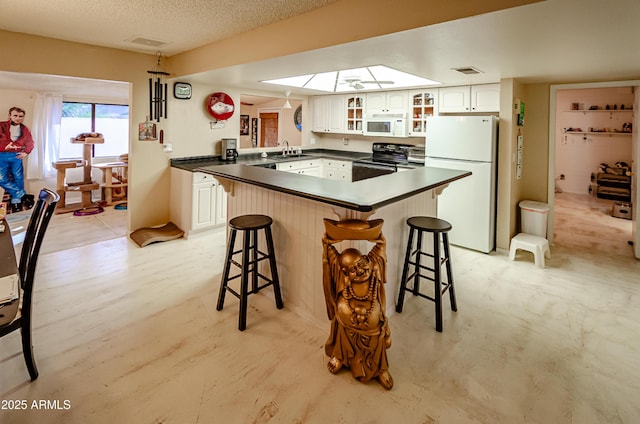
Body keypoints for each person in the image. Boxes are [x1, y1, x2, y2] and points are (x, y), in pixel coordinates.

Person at [322, 221, 393, 390]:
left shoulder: (374, 265)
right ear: (344, 273)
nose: (360, 270)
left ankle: (380, 369)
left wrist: (375, 236)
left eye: (361, 264)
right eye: (353, 270)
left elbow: (380, 247)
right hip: (346, 325)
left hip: (372, 328)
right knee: (341, 330)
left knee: (377, 335)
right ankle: (340, 357)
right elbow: (331, 257)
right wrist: (328, 242)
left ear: (367, 259)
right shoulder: (342, 275)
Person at [0, 106, 35, 212]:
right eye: (15, 115)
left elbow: (30, 142)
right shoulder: (1, 126)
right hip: (2, 155)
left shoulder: (24, 129)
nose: (18, 118)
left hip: (17, 155)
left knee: (18, 178)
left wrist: (26, 152)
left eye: (21, 116)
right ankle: (23, 195)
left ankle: (17, 203)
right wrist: (4, 147)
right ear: (10, 115)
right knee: (1, 179)